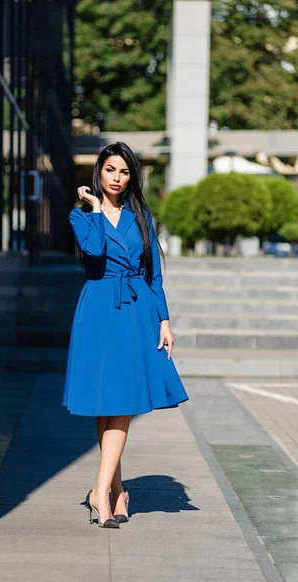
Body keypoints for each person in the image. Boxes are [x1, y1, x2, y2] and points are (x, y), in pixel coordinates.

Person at [63, 142, 188, 529]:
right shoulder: (81, 216)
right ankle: (116, 491)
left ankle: (100, 491)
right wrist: (98, 210)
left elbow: (153, 274)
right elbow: (96, 253)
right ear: (98, 172)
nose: (117, 179)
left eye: (124, 172)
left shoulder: (141, 216)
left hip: (135, 311)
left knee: (123, 400)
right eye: (110, 170)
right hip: (99, 309)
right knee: (106, 401)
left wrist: (164, 320)